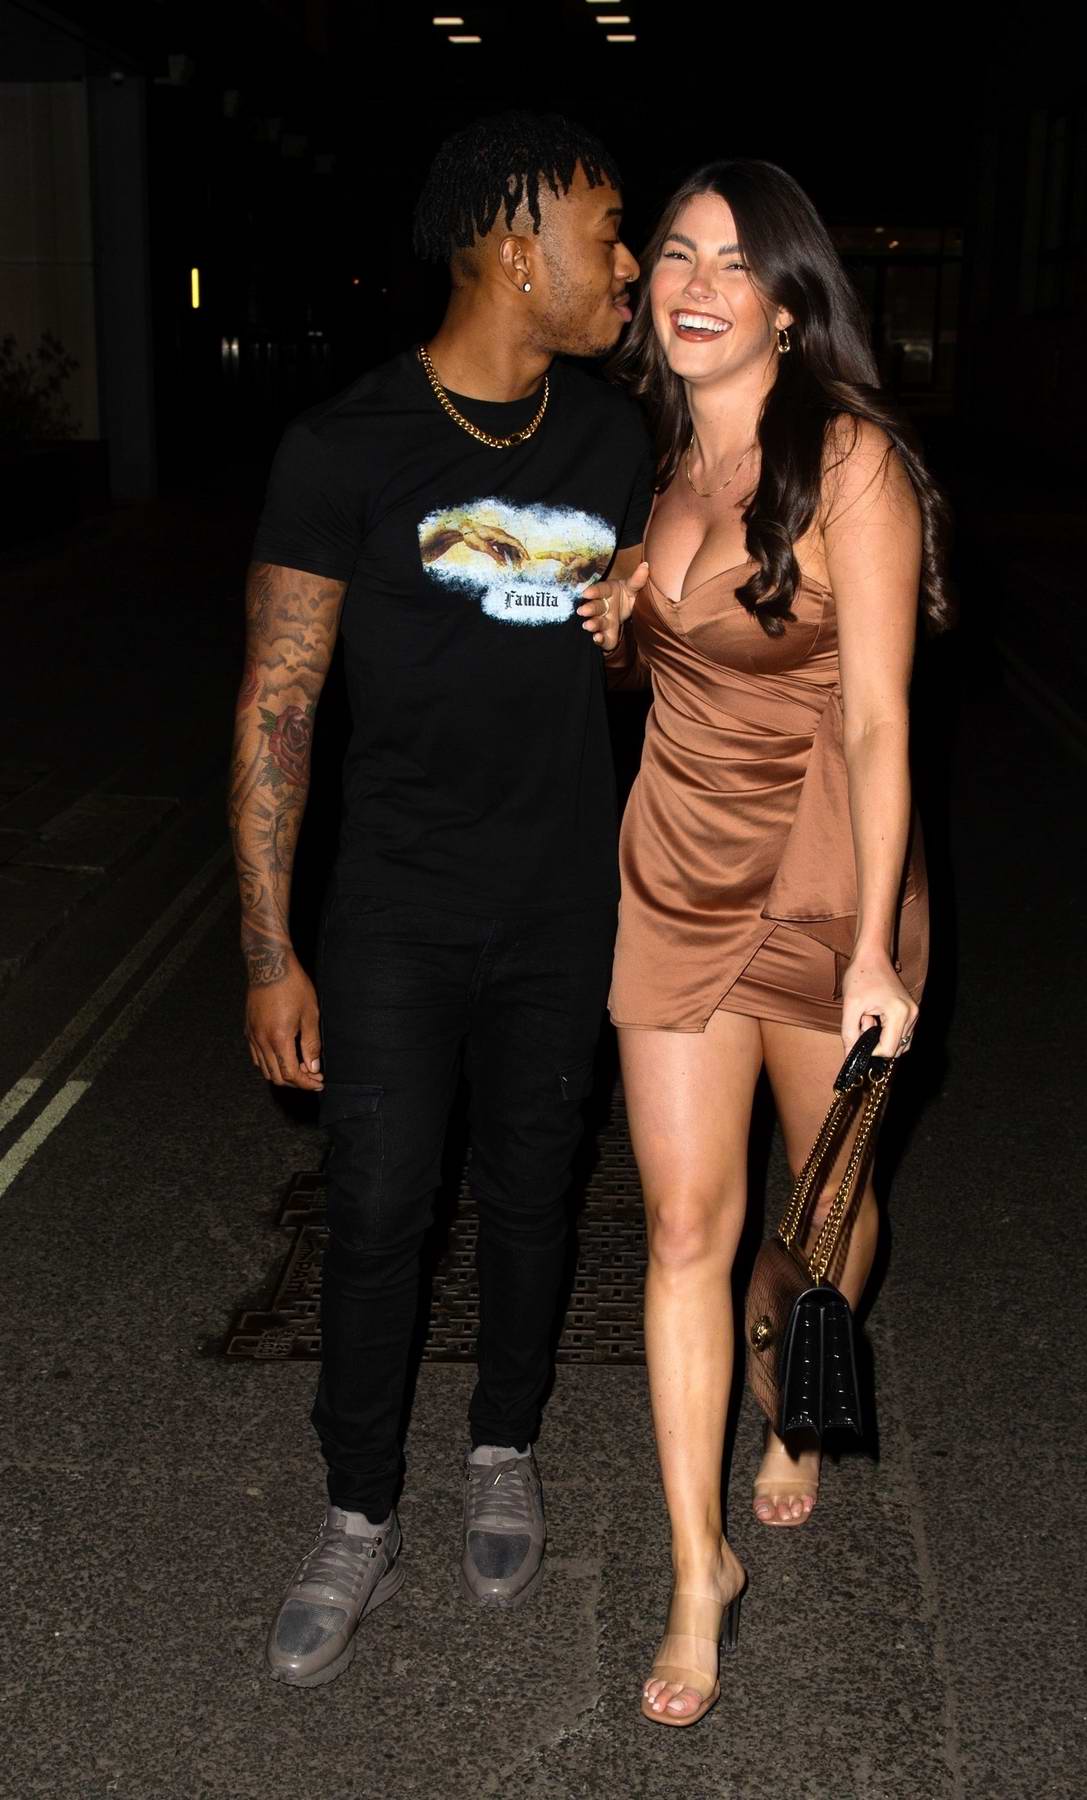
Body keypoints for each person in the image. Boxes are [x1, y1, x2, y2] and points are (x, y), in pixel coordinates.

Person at [228, 110, 651, 1688]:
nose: (624, 263)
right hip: (396, 905)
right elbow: (279, 702)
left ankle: (504, 1446)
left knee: (538, 1190)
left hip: (565, 902)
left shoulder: (619, 439)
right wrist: (272, 950)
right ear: (511, 241)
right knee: (378, 1207)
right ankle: (357, 1511)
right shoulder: (343, 448)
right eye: (607, 232)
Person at [577, 160, 951, 1726]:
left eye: (734, 261)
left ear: (790, 305)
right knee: (680, 1231)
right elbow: (676, 665)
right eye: (675, 253)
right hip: (673, 868)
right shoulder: (657, 469)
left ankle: (801, 1392)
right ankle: (693, 1568)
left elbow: (874, 718)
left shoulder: (848, 461)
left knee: (816, 1227)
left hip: (821, 876)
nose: (695, 279)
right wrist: (622, 612)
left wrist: (875, 949)